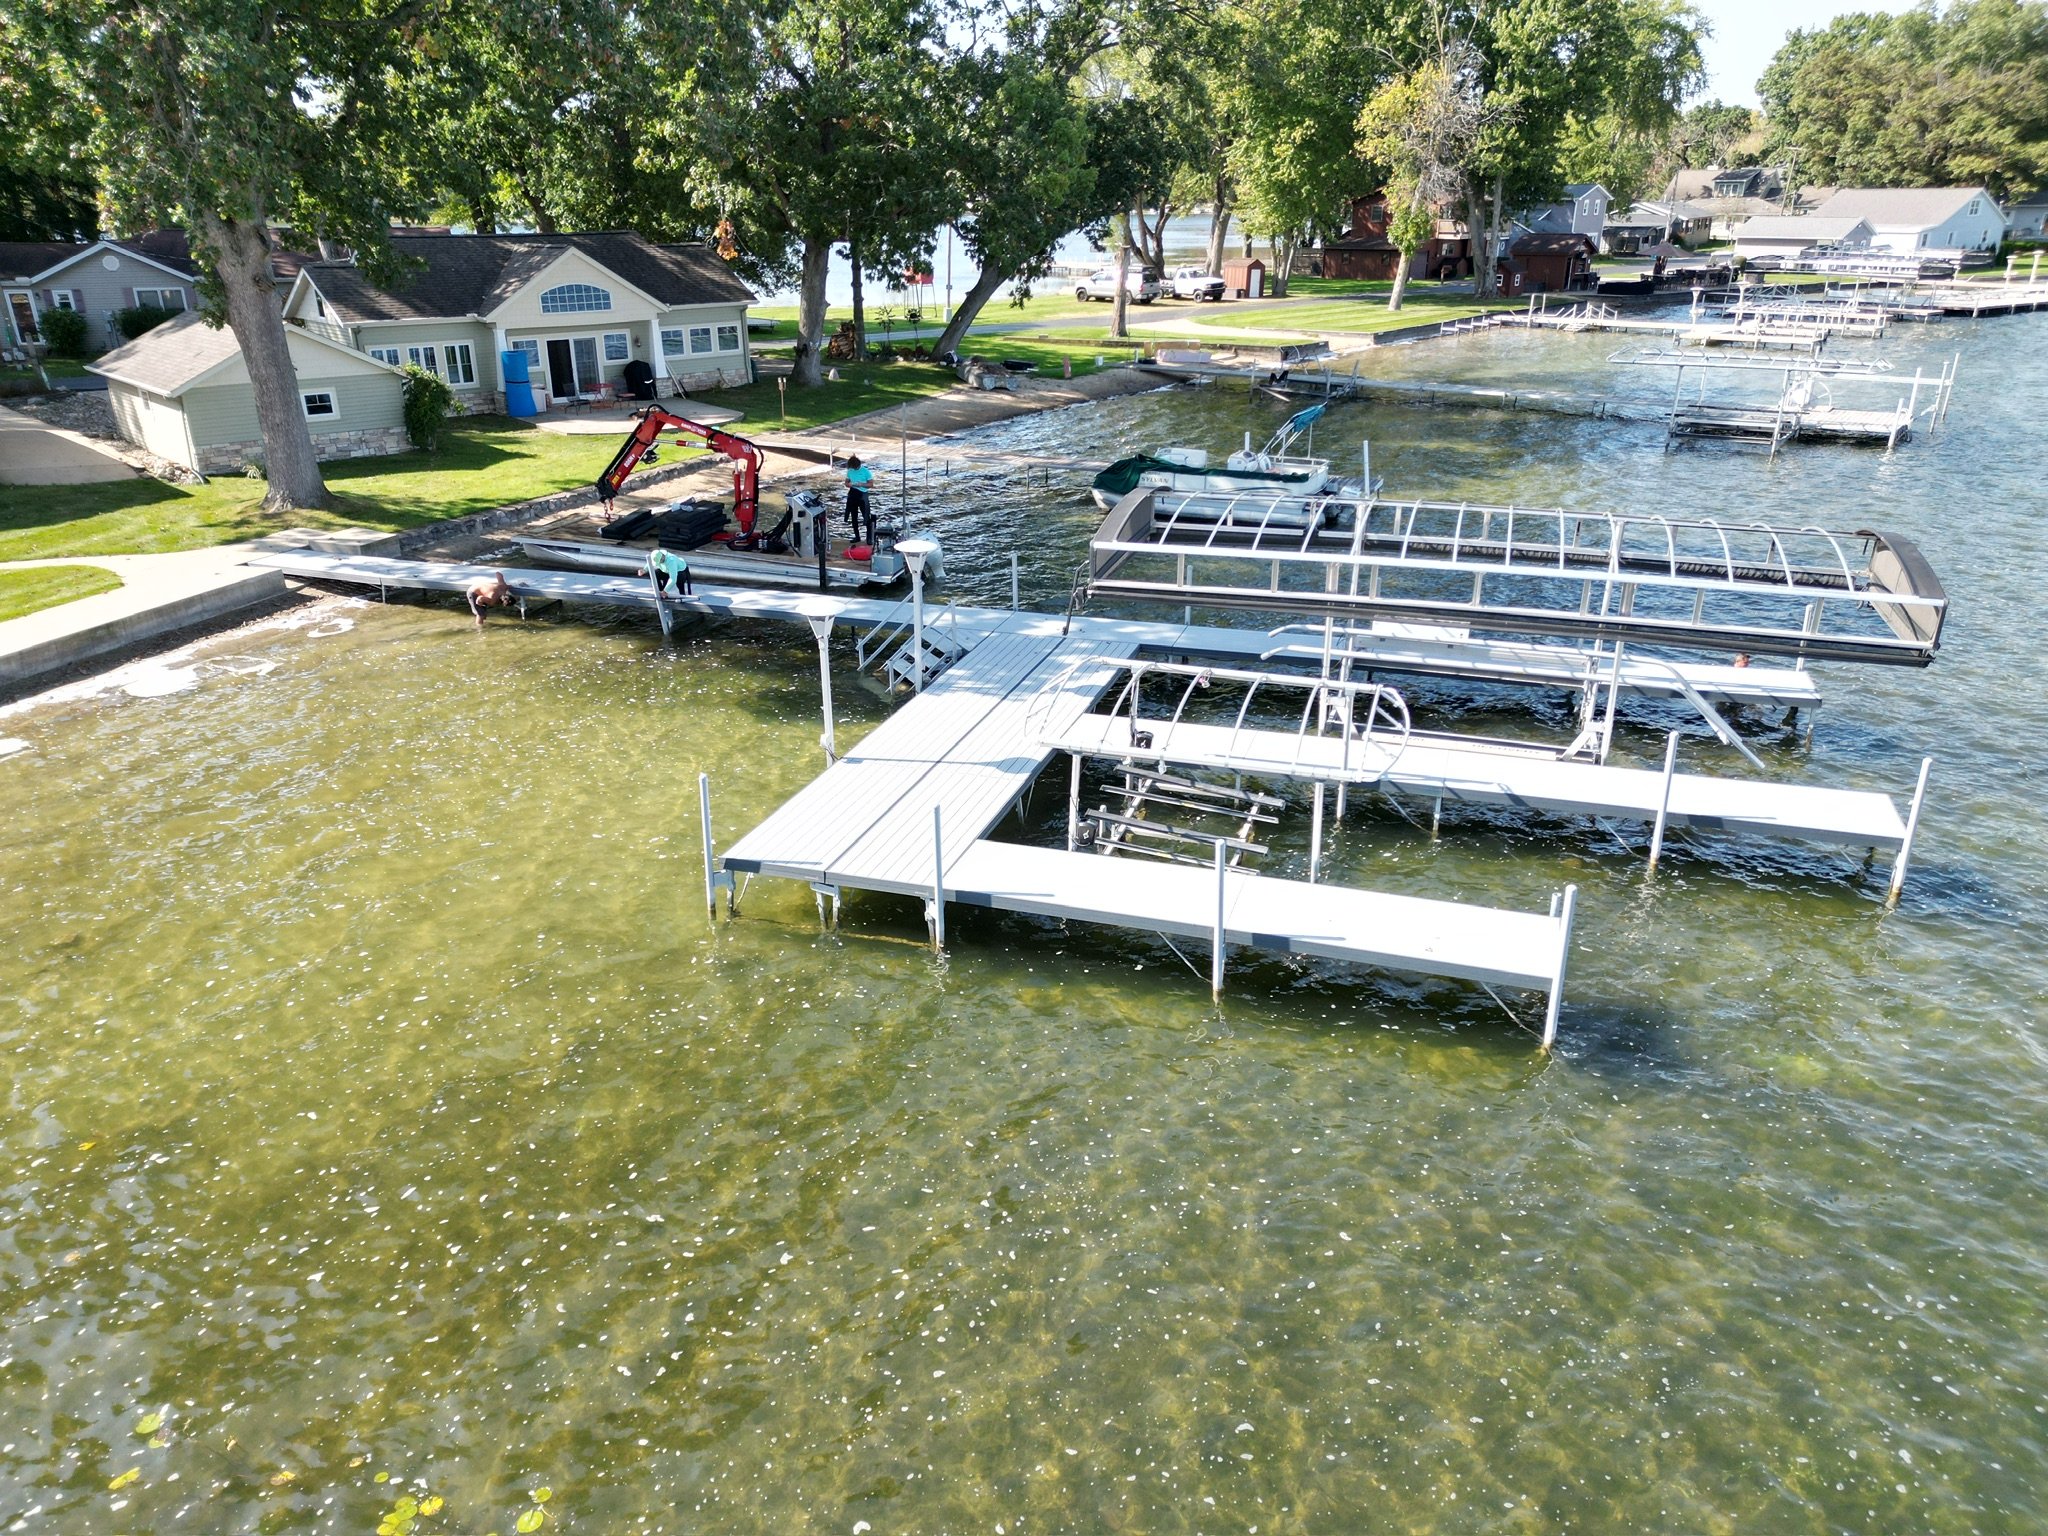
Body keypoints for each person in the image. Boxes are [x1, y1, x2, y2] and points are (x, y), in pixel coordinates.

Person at [843, 455, 874, 546]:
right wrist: (848, 484)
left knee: (866, 515)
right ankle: (857, 536)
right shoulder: (850, 471)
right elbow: (846, 482)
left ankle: (869, 538)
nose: (854, 469)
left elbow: (871, 484)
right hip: (853, 492)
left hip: (863, 494)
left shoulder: (866, 471)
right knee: (853, 516)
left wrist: (862, 484)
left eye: (855, 467)